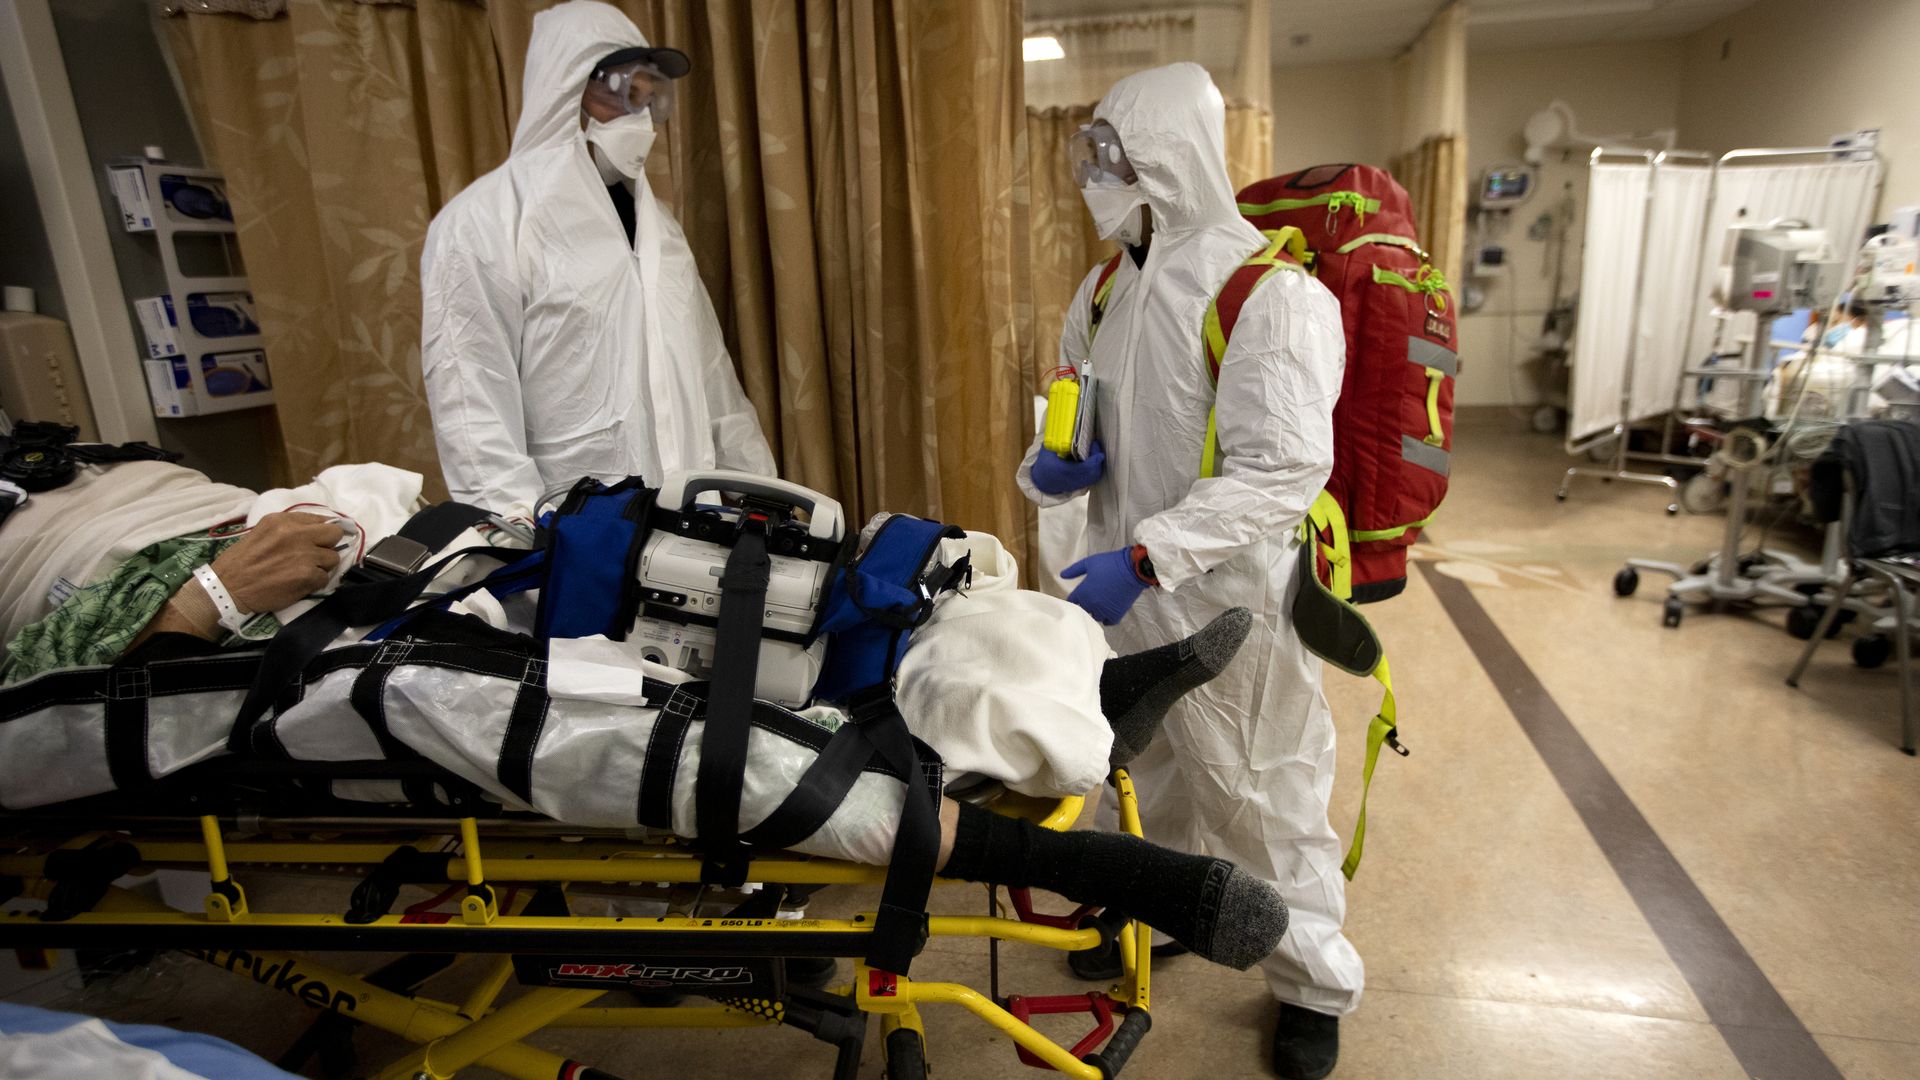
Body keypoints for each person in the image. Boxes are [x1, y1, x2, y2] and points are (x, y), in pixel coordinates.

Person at [1016, 63, 1358, 1079]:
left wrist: (1147, 555)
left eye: (1112, 151)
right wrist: (1050, 467)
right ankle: (1160, 907)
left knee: (1263, 795)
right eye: (1091, 151)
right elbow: (1071, 406)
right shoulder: (1110, 280)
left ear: (1167, 156)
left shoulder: (1271, 294)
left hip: (1230, 601)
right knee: (1142, 771)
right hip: (1121, 592)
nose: (1093, 172)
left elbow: (1283, 470)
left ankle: (1312, 984)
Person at [420, 1, 774, 521]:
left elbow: (714, 384)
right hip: (574, 540)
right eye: (628, 95)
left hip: (689, 531)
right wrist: (531, 543)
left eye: (651, 100)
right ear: (569, 89)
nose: (642, 119)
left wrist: (765, 499)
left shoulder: (661, 231)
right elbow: (473, 414)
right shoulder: (485, 223)